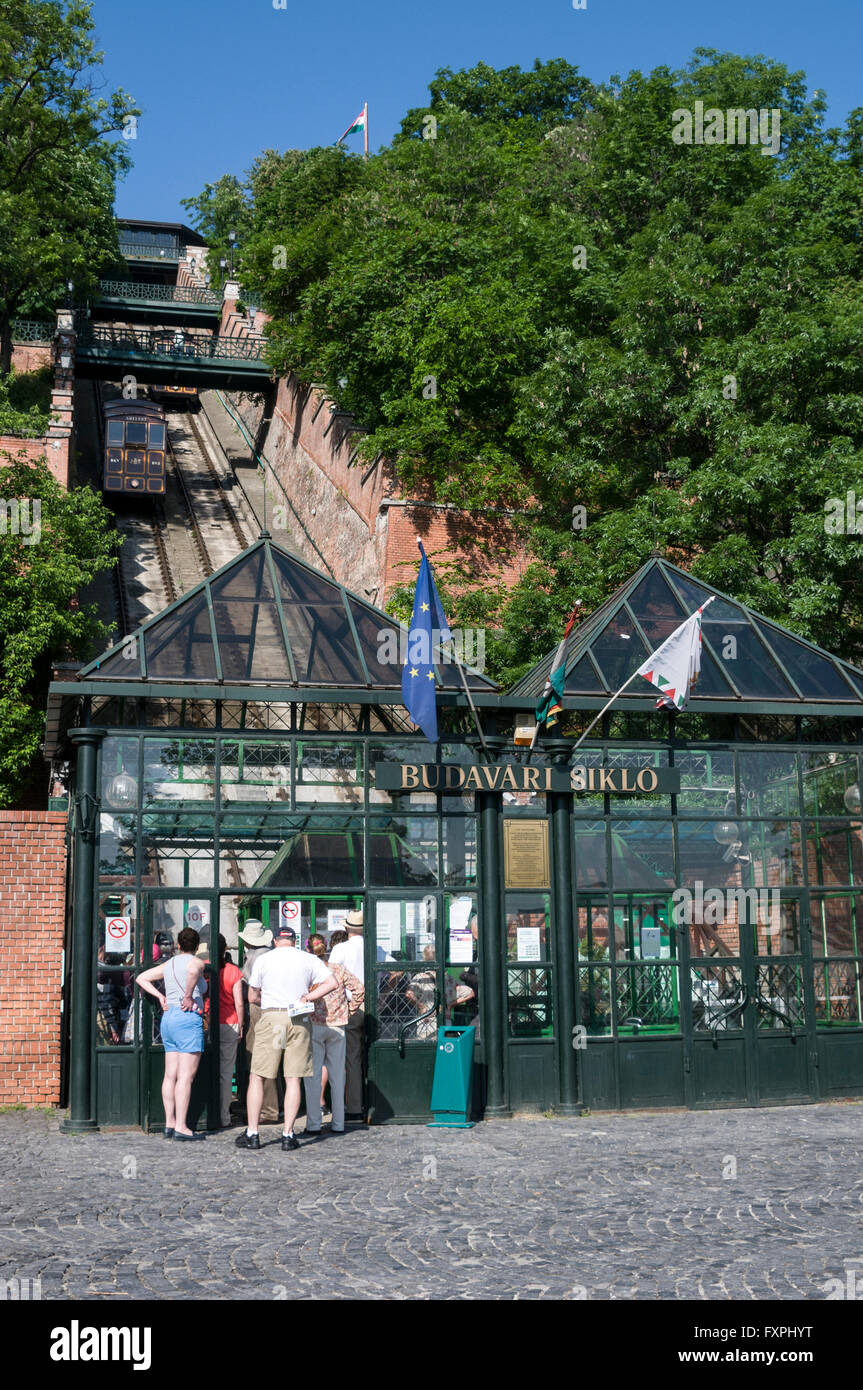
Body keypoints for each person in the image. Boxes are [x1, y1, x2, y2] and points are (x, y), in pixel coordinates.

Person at [235, 924, 337, 1153]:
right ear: (294, 941)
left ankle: (253, 1133)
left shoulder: (264, 960)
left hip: (272, 1018)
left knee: (258, 1076)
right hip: (299, 1018)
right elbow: (332, 983)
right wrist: (307, 997)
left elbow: (252, 996)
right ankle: (288, 1134)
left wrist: (268, 1001)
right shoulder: (307, 959)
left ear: (275, 941)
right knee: (293, 1078)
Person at [136, 926, 208, 1141]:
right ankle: (182, 1127)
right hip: (188, 1017)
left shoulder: (169, 964)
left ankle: (169, 1123)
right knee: (185, 1077)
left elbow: (141, 978)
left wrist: (160, 996)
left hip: (169, 1019)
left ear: (178, 945)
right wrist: (188, 995)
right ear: (196, 946)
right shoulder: (195, 962)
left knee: (170, 1075)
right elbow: (194, 972)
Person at [303, 958, 364, 1136]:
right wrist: (348, 1011)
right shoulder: (339, 969)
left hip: (314, 1024)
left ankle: (313, 1123)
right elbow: (359, 990)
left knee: (313, 1075)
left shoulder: (310, 968)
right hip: (337, 1025)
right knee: (338, 1075)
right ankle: (338, 1123)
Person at [239, 919, 280, 1125]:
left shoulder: (256, 958)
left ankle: (268, 1109)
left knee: (260, 1058)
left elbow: (253, 992)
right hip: (271, 1010)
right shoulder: (269, 954)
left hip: (259, 1009)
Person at [328, 908, 365, 1119]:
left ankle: (352, 1107)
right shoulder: (375, 946)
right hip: (373, 1005)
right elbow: (395, 969)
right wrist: (384, 994)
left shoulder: (340, 949)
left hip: (351, 1006)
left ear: (347, 928)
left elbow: (331, 979)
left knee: (350, 1058)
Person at [218, 934, 244, 1129]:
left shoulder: (204, 967)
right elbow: (239, 1002)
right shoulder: (233, 970)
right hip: (230, 1021)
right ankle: (224, 1116)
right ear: (225, 948)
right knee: (227, 1072)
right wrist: (241, 1025)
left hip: (208, 1022)